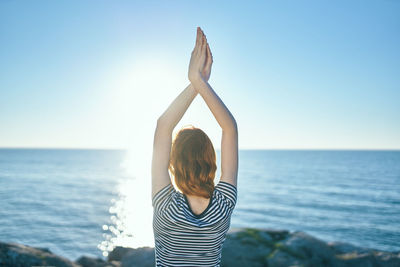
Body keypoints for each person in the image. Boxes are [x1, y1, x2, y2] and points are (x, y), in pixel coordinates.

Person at [151, 26, 238, 266]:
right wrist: (200, 82)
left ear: (173, 164)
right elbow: (230, 128)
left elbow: (163, 126)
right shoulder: (223, 206)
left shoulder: (165, 206)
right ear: (212, 161)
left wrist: (196, 82)